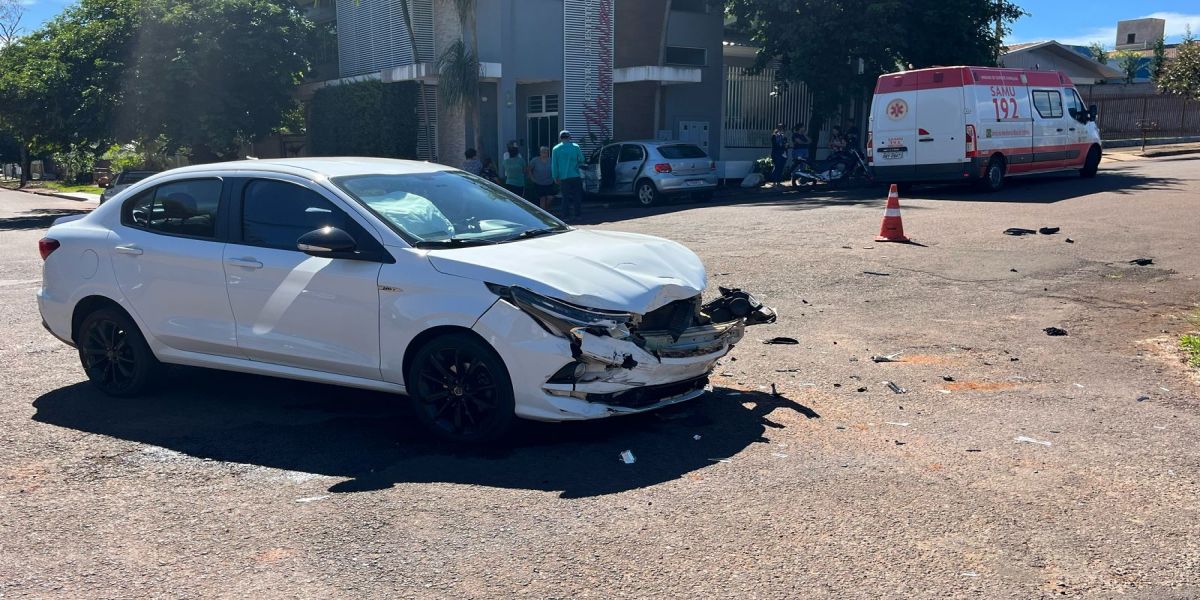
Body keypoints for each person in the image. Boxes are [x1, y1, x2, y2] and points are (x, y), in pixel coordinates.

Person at [552, 130, 585, 218]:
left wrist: (555, 176)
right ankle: (577, 215)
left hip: (563, 177)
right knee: (577, 197)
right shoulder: (575, 147)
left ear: (560, 138)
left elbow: (554, 165)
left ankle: (565, 216)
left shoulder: (556, 149)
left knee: (565, 197)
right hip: (575, 175)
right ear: (569, 137)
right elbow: (582, 159)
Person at [528, 146, 555, 211]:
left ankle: (545, 210)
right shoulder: (535, 160)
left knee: (550, 197)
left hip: (549, 182)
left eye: (546, 151)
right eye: (543, 151)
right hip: (538, 183)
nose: (544, 153)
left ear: (548, 152)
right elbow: (529, 169)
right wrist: (532, 178)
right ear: (540, 152)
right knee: (542, 198)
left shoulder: (551, 160)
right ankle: (543, 213)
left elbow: (555, 170)